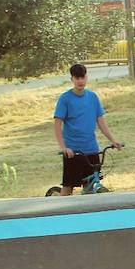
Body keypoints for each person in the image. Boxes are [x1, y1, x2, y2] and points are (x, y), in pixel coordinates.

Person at [53, 63, 123, 195]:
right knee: (68, 186)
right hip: (73, 151)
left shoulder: (93, 97)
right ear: (72, 79)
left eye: (83, 77)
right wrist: (64, 148)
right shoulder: (65, 99)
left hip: (91, 149)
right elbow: (57, 125)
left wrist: (113, 140)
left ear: (86, 77)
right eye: (77, 78)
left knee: (91, 185)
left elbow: (101, 122)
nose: (80, 81)